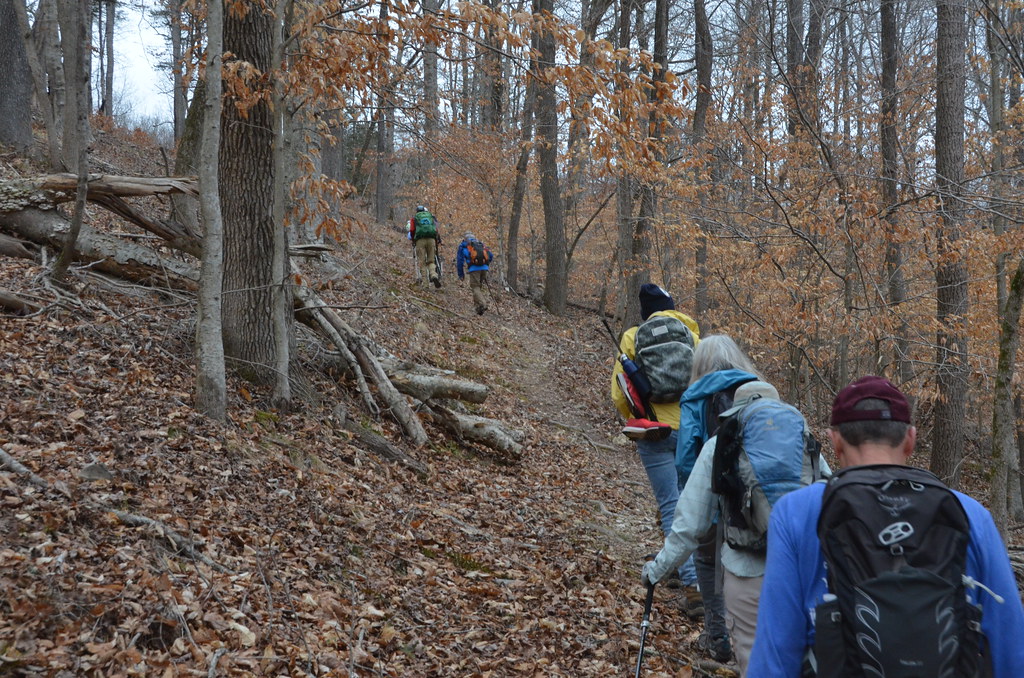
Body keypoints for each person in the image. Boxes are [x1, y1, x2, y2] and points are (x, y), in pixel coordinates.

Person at [747, 376, 1024, 677]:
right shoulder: (969, 513)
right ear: (910, 439)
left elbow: (776, 650)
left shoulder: (796, 512)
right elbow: (1011, 645)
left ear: (835, 441)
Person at [642, 380, 830, 676]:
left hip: (747, 574)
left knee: (756, 665)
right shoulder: (803, 441)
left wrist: (657, 571)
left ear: (734, 411)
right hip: (803, 572)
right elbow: (831, 499)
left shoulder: (720, 444)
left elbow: (690, 525)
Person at [611, 284, 703, 616]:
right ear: (671, 306)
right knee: (693, 505)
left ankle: (693, 587)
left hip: (654, 433)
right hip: (691, 432)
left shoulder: (633, 338)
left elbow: (620, 394)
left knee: (671, 506)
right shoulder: (691, 335)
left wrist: (639, 417)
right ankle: (683, 569)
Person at [673, 335, 763, 663]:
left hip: (715, 498)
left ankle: (718, 636)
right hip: (757, 502)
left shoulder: (696, 396)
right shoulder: (759, 390)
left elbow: (685, 458)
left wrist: (695, 495)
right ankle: (751, 637)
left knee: (707, 560)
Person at [456, 232, 494, 315]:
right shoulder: (480, 244)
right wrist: (485, 265)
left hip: (474, 269)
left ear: (465, 238)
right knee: (478, 287)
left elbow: (460, 261)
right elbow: (491, 256)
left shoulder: (463, 246)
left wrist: (461, 274)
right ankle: (478, 308)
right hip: (484, 268)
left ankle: (483, 304)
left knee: (475, 287)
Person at [408, 204, 442, 288]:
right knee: (431, 261)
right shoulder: (430, 216)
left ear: (417, 211)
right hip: (431, 240)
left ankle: (426, 285)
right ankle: (433, 275)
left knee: (422, 262)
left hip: (420, 241)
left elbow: (412, 230)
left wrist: (413, 240)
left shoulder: (414, 218)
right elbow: (436, 229)